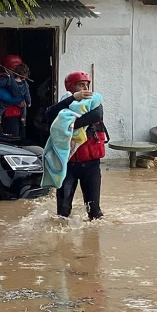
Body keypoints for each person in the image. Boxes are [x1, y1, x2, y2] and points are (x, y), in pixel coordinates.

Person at [45, 70, 108, 221]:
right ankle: (62, 243)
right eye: (81, 85)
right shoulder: (63, 105)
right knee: (63, 212)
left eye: (86, 85)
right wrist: (72, 99)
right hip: (68, 165)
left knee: (94, 212)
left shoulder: (95, 103)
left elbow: (96, 115)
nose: (85, 89)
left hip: (91, 164)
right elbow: (49, 114)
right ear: (71, 88)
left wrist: (69, 126)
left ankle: (92, 241)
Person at [0, 63, 31, 131]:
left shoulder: (10, 80)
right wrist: (29, 103)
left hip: (9, 101)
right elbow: (27, 94)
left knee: (1, 106)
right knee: (24, 106)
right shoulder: (25, 84)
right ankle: (23, 119)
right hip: (19, 101)